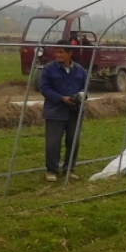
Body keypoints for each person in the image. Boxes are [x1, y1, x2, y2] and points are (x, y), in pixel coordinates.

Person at [38, 44, 88, 182]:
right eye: (56, 52)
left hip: (74, 112)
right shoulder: (49, 69)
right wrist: (61, 98)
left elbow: (85, 87)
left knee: (73, 141)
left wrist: (80, 97)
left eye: (61, 52)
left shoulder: (80, 70)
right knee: (53, 143)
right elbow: (44, 88)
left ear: (70, 53)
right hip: (55, 111)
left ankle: (69, 169)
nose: (58, 55)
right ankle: (52, 170)